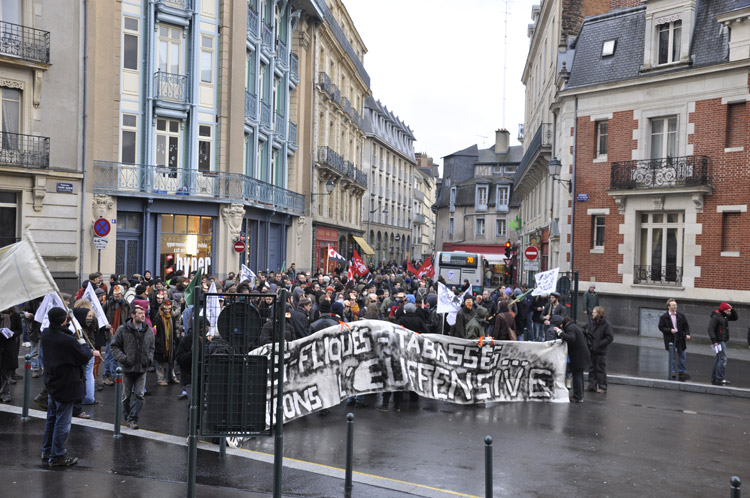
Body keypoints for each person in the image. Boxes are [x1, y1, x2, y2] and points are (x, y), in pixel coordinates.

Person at [41, 307, 92, 467]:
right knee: (63, 422)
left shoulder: (46, 334)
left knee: (51, 418)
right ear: (63, 320)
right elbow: (83, 356)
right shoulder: (67, 340)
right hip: (66, 384)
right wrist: (84, 345)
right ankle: (57, 456)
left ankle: (47, 450)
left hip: (53, 382)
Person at [110, 305, 155, 430]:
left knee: (139, 394)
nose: (142, 315)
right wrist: (124, 359)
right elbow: (114, 346)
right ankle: (127, 416)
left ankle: (133, 419)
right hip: (127, 368)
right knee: (126, 396)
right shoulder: (122, 329)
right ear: (132, 315)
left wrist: (149, 359)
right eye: (139, 313)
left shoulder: (148, 330)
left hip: (142, 367)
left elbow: (152, 346)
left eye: (143, 313)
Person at [550, 315, 590, 403]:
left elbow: (571, 338)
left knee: (576, 376)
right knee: (579, 375)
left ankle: (577, 396)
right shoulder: (573, 326)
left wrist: (560, 332)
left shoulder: (570, 328)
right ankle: (580, 395)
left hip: (578, 356)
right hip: (582, 355)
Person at [658, 299, 691, 381]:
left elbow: (686, 326)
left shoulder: (680, 316)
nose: (675, 307)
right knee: (672, 356)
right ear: (668, 306)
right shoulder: (664, 317)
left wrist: (687, 334)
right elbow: (661, 327)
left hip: (680, 336)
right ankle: (672, 371)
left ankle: (682, 371)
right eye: (673, 305)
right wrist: (670, 330)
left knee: (682, 354)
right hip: (670, 337)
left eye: (676, 305)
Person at [584, 306, 614, 393]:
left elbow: (609, 338)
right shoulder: (591, 322)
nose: (592, 314)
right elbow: (586, 330)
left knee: (600, 369)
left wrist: (599, 344)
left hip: (601, 350)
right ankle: (592, 385)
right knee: (592, 368)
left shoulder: (606, 324)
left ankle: (603, 387)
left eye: (594, 312)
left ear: (599, 314)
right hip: (591, 349)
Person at [708, 302, 738, 386]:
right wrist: (714, 341)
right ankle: (720, 378)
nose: (729, 313)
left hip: (721, 340)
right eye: (728, 311)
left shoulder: (724, 316)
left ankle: (715, 377)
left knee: (718, 359)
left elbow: (735, 317)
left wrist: (731, 309)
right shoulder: (716, 317)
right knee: (723, 359)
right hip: (719, 341)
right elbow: (710, 329)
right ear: (724, 310)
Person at [0, 307, 23, 403]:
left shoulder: (16, 316)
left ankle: (5, 392)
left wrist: (12, 334)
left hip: (9, 346)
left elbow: (19, 330)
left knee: (6, 371)